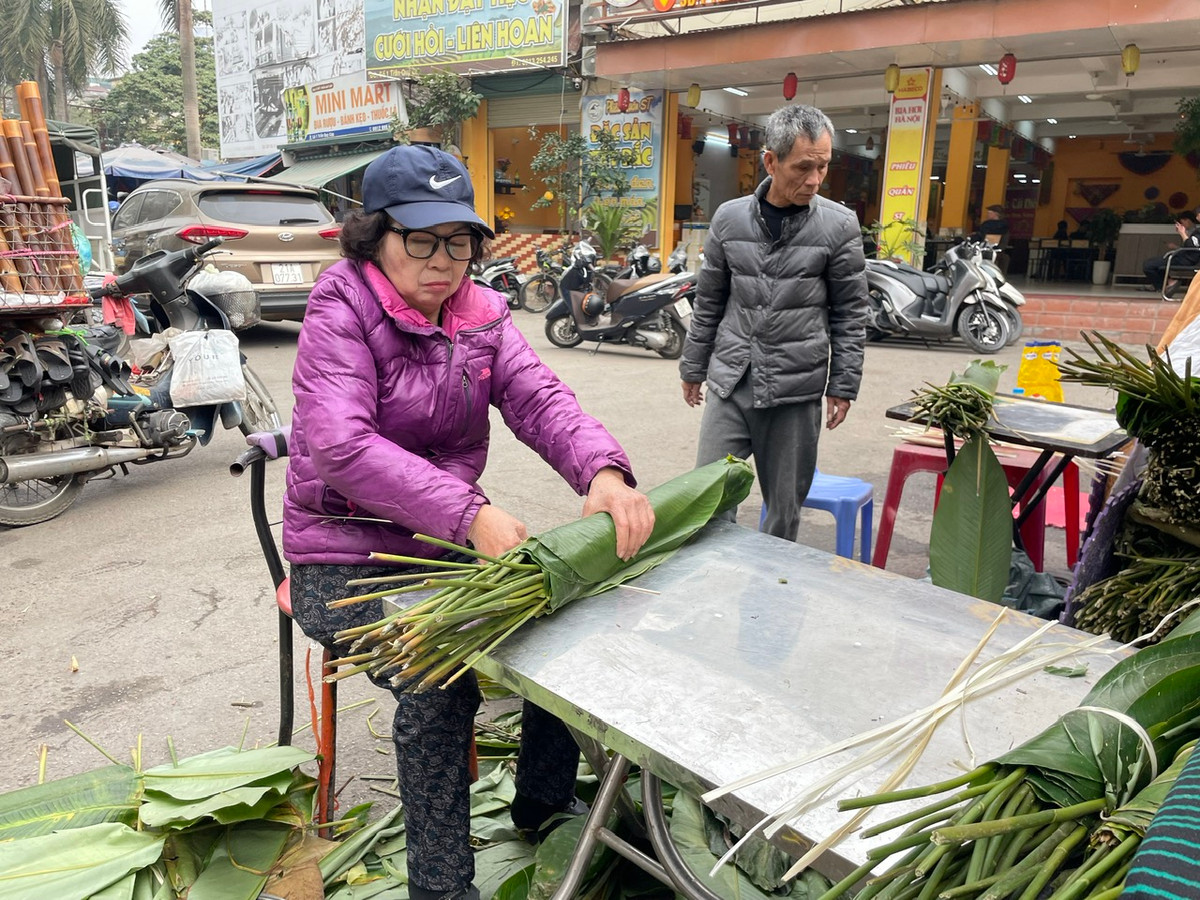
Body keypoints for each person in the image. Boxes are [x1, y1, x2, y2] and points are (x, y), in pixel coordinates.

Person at [283, 144, 655, 900]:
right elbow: (340, 445)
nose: (442, 261)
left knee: (561, 608)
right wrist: (471, 513)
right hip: (340, 561)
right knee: (439, 683)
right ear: (376, 236)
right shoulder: (339, 306)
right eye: (420, 240)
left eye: (458, 241)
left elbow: (540, 400)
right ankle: (443, 889)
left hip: (437, 549)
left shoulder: (481, 314)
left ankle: (544, 805)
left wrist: (604, 473)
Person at [678, 104, 867, 541]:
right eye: (804, 167)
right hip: (731, 379)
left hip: (794, 390)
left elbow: (851, 313)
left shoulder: (839, 226)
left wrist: (843, 383)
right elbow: (709, 302)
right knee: (707, 500)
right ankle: (709, 594)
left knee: (783, 514)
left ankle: (770, 603)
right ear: (771, 161)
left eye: (822, 166)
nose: (815, 179)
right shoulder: (729, 218)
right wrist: (693, 366)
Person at [1142, 211, 1200, 294]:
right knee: (1156, 263)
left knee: (1148, 265)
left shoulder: (1197, 232)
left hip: (1187, 260)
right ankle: (1170, 283)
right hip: (1185, 257)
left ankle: (1165, 286)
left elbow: (1191, 247)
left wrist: (1182, 233)